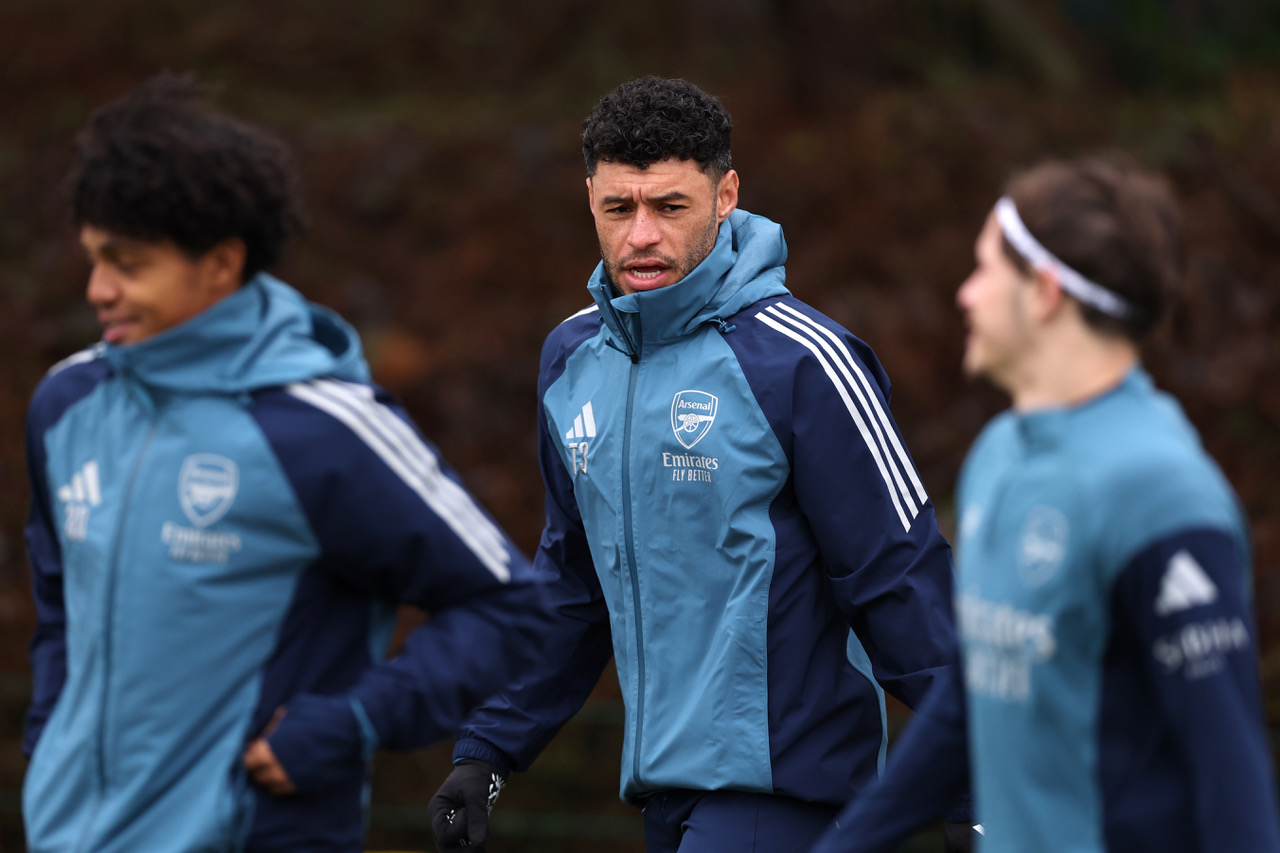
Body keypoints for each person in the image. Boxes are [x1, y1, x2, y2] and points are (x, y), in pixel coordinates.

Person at [428, 75, 969, 853]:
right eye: (620, 208)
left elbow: (897, 574)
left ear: (726, 196)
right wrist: (488, 748)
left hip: (788, 790)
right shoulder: (572, 360)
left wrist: (973, 767)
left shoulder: (804, 362)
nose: (641, 235)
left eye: (670, 206)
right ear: (590, 199)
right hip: (664, 791)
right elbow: (573, 583)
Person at [21, 72, 550, 853]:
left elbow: (509, 607)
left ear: (220, 263)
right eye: (95, 259)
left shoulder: (320, 429)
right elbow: (60, 605)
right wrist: (49, 743)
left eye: (128, 264)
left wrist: (354, 719)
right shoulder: (67, 405)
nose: (98, 289)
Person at [810, 156, 1280, 853]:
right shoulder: (1000, 456)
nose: (965, 294)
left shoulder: (1162, 494)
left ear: (1046, 293)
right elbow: (976, 694)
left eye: (985, 270)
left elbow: (1232, 780)